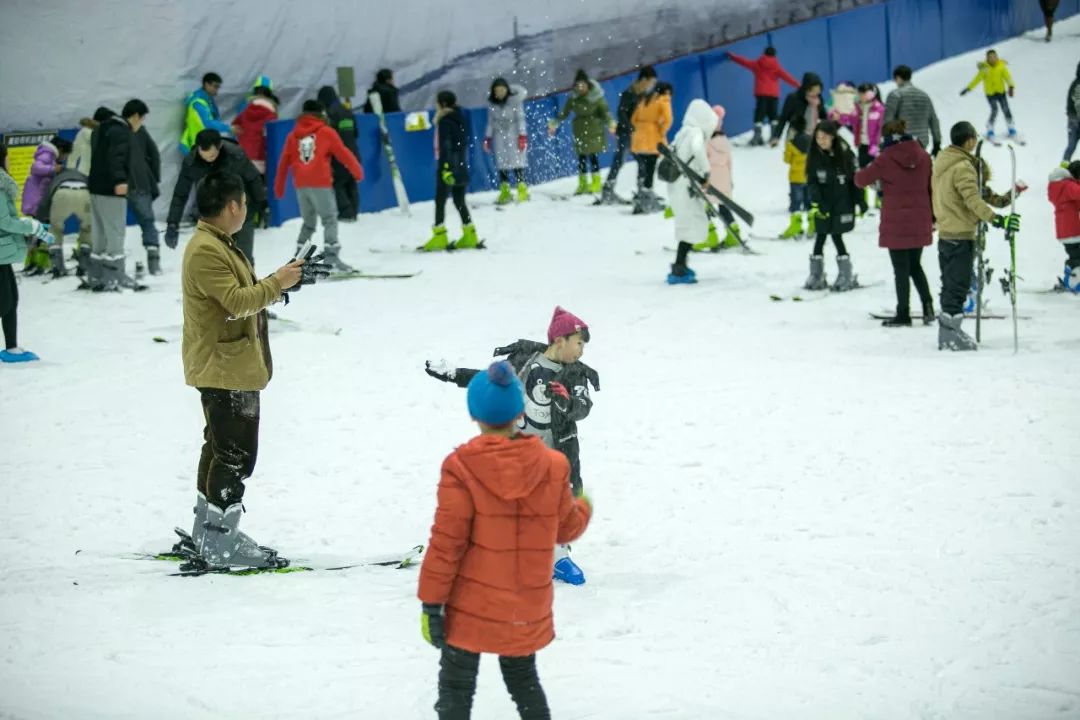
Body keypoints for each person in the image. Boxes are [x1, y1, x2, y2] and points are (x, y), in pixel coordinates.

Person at [417, 360, 593, 720]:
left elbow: (446, 544)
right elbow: (566, 530)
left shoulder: (460, 467)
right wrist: (584, 507)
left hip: (470, 606)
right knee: (523, 680)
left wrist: (431, 603)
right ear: (519, 411)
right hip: (523, 605)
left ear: (475, 414)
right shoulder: (552, 465)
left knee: (455, 687)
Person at [179, 171, 306, 570]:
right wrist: (277, 282)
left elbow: (242, 295)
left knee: (219, 448)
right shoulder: (205, 249)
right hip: (224, 368)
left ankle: (208, 532)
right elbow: (236, 302)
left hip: (227, 365)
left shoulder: (216, 243)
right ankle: (220, 541)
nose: (246, 211)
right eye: (245, 205)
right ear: (232, 206)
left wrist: (285, 283)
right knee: (235, 454)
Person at [423, 306, 598, 585]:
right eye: (578, 343)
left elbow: (583, 407)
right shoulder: (525, 362)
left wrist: (568, 403)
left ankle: (557, 557)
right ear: (560, 340)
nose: (581, 351)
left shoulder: (575, 374)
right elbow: (489, 380)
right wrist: (454, 374)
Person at [931, 121, 1021, 351]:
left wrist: (1012, 195)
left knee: (951, 284)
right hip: (960, 234)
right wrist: (997, 220)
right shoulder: (962, 167)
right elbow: (973, 201)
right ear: (969, 140)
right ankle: (950, 334)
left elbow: (979, 196)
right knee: (958, 285)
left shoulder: (943, 162)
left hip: (947, 233)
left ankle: (949, 330)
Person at [855, 119, 935, 326]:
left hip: (897, 222)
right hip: (920, 218)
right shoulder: (924, 156)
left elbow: (861, 180)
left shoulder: (885, 158)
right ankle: (928, 308)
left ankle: (903, 313)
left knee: (901, 269)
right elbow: (931, 187)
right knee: (915, 266)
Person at [273, 100, 364, 271]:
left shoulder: (293, 136)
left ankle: (298, 261)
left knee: (309, 222)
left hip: (301, 185)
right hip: (320, 183)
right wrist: (357, 171)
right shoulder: (326, 132)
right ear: (321, 113)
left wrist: (279, 187)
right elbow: (343, 153)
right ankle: (331, 259)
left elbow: (284, 162)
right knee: (330, 219)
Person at [166, 129, 267, 266]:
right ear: (198, 149)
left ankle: (247, 285)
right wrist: (172, 223)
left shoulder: (235, 155)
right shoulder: (191, 162)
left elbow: (253, 178)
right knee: (217, 260)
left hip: (240, 212)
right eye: (204, 155)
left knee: (244, 259)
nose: (208, 159)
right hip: (213, 217)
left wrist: (262, 205)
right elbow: (180, 193)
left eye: (212, 156)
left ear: (219, 147)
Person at [0, 144, 55, 363]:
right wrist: (30, 226)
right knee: (5, 301)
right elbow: (3, 221)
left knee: (11, 300)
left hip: (2, 252)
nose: (10, 161)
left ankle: (12, 347)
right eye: (7, 157)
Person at [803, 120, 864, 292]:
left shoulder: (844, 155)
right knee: (820, 235)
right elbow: (812, 183)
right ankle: (816, 274)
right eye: (818, 137)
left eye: (824, 137)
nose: (820, 141)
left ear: (832, 138)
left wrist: (860, 201)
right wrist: (818, 202)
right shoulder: (814, 157)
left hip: (841, 204)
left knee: (837, 235)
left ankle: (846, 273)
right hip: (824, 205)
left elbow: (854, 181)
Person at [664, 99, 720, 284]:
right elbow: (697, 149)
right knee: (692, 224)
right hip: (685, 186)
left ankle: (680, 265)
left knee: (685, 225)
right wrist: (705, 173)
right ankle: (679, 269)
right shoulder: (695, 132)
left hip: (676, 185)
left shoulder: (682, 132)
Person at [420, 91, 481, 252]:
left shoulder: (445, 121)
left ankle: (440, 235)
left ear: (443, 104)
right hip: (460, 164)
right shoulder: (460, 118)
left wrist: (446, 168)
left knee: (440, 200)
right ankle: (470, 234)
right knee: (459, 200)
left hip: (448, 165)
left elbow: (445, 144)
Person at [86, 106, 137, 292]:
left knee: (99, 234)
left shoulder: (99, 131)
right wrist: (120, 180)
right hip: (111, 189)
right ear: (135, 116)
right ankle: (114, 276)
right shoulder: (119, 131)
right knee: (115, 232)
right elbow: (117, 158)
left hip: (95, 187)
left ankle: (96, 275)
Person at [548, 69, 614, 195]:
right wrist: (554, 123)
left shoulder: (596, 97)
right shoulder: (573, 98)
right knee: (581, 158)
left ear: (588, 85)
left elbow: (605, 112)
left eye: (582, 85)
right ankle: (582, 184)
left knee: (593, 157)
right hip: (580, 131)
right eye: (578, 85)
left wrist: (610, 123)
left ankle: (596, 183)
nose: (580, 88)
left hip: (594, 130)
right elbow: (564, 113)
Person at [600, 66, 656, 204]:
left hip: (637, 135)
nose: (651, 85)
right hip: (626, 134)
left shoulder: (643, 96)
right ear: (643, 79)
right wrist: (631, 128)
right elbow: (621, 113)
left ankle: (642, 190)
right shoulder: (629, 93)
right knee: (620, 160)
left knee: (642, 161)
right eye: (651, 82)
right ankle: (608, 190)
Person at [727, 46, 799, 146]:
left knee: (759, 115)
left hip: (761, 94)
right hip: (773, 95)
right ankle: (774, 136)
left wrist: (733, 57)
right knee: (773, 115)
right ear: (774, 55)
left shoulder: (757, 64)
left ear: (764, 53)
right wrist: (799, 85)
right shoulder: (777, 67)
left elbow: (744, 62)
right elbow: (787, 77)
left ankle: (757, 137)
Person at [693, 105, 742, 251]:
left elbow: (702, 161)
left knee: (703, 206)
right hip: (724, 176)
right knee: (723, 207)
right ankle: (733, 234)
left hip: (710, 177)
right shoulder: (724, 141)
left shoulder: (706, 142)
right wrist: (730, 180)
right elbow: (729, 162)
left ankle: (710, 235)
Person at [123, 99, 163, 276]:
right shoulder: (140, 132)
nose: (143, 121)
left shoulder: (114, 130)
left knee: (114, 225)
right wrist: (152, 178)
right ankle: (154, 263)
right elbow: (154, 155)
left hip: (119, 185)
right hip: (140, 183)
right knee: (147, 221)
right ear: (136, 115)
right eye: (143, 117)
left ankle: (114, 265)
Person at [830, 82, 886, 209]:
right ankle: (863, 201)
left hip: (875, 146)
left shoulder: (880, 108)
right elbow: (851, 120)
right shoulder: (858, 108)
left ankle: (880, 198)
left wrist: (876, 145)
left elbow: (880, 128)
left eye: (863, 93)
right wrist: (840, 117)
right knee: (862, 172)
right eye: (859, 93)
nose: (860, 96)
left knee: (878, 174)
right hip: (862, 145)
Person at [34, 162, 90, 279]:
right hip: (85, 192)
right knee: (88, 228)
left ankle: (58, 267)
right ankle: (84, 266)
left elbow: (44, 204)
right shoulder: (82, 175)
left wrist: (39, 222)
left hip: (62, 193)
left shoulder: (56, 178)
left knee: (55, 229)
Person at [316, 85, 362, 221]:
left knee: (338, 183)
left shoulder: (329, 114)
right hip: (354, 153)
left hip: (339, 156)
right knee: (351, 182)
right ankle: (354, 211)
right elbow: (356, 133)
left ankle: (346, 213)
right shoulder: (348, 111)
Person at [483, 78, 529, 205]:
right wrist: (488, 137)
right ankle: (505, 191)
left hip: (513, 135)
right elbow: (490, 123)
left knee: (517, 163)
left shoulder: (515, 102)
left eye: (502, 89)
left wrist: (522, 136)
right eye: (497, 90)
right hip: (499, 137)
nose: (500, 93)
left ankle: (522, 190)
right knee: (502, 165)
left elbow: (520, 119)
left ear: (507, 90)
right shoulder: (492, 105)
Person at [630, 81, 673, 214]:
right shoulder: (663, 101)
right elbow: (668, 119)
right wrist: (661, 131)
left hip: (639, 138)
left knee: (642, 169)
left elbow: (633, 119)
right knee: (650, 169)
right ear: (666, 92)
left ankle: (640, 198)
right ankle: (647, 201)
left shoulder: (645, 99)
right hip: (652, 138)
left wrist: (640, 129)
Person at [960, 50, 1017, 142]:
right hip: (990, 94)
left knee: (1006, 109)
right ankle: (990, 129)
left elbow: (1008, 77)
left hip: (1001, 92)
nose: (993, 59)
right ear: (987, 59)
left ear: (997, 57)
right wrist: (968, 88)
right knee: (994, 110)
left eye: (994, 57)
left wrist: (1011, 86)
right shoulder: (984, 69)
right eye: (990, 57)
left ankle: (1011, 128)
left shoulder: (1001, 67)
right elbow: (976, 79)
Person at [884, 65, 942, 156]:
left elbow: (887, 121)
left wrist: (884, 142)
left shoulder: (895, 95)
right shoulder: (924, 95)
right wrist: (937, 143)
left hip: (900, 143)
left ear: (898, 78)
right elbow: (934, 121)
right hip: (921, 143)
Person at [232, 82, 280, 176]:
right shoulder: (271, 116)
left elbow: (235, 128)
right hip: (259, 158)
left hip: (243, 156)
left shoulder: (244, 111)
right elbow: (272, 140)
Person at [1047, 161, 1080, 292]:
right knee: (1077, 257)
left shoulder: (1060, 185)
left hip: (1065, 229)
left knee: (1075, 255)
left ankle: (1069, 277)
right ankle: (1072, 282)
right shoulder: (1068, 186)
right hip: (1072, 229)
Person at [779, 115, 813, 239]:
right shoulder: (811, 140)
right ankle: (812, 226)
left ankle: (796, 227)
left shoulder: (791, 143)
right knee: (809, 202)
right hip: (809, 176)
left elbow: (787, 160)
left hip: (795, 178)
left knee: (796, 203)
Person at [181, 72, 231, 155]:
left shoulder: (208, 100)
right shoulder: (198, 102)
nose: (217, 90)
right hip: (196, 146)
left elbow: (214, 118)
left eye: (218, 87)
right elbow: (208, 123)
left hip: (204, 144)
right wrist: (229, 128)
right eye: (215, 86)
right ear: (206, 84)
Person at [20, 135, 70, 217]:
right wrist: (53, 169)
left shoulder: (51, 157)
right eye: (66, 155)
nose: (65, 158)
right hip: (35, 202)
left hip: (38, 201)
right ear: (61, 150)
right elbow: (35, 168)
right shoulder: (47, 155)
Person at [772, 72, 825, 148]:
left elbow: (823, 117)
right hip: (795, 135)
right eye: (813, 90)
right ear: (806, 88)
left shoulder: (818, 99)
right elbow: (783, 118)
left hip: (814, 135)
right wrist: (776, 136)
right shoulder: (793, 98)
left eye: (818, 90)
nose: (816, 93)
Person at [1063, 62, 1080, 162]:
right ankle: (1064, 168)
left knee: (1071, 146)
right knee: (1071, 146)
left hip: (1072, 119)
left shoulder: (1075, 82)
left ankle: (1064, 166)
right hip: (1075, 119)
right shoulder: (1078, 84)